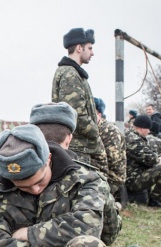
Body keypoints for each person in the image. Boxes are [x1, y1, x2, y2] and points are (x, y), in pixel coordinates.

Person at [0, 124, 111, 246]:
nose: (35, 190)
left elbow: (88, 225)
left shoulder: (85, 179)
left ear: (48, 159)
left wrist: (29, 234)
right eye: (23, 187)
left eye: (39, 181)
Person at [29, 102, 122, 245]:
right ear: (69, 139)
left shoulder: (11, 172)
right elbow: (108, 234)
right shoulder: (90, 178)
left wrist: (28, 233)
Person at [51, 27, 108, 176]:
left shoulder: (74, 73)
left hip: (78, 146)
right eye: (89, 48)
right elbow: (77, 116)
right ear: (78, 48)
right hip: (77, 148)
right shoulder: (70, 74)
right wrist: (96, 130)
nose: (92, 52)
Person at [125, 115, 161, 208]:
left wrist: (156, 158)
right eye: (148, 129)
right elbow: (149, 158)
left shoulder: (135, 136)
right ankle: (156, 200)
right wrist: (158, 159)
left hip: (136, 175)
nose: (149, 131)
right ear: (141, 128)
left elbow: (149, 153)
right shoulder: (133, 139)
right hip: (133, 180)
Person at [94, 98, 126, 195]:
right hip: (97, 174)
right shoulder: (91, 129)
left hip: (112, 178)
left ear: (99, 114)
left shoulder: (110, 131)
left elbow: (112, 161)